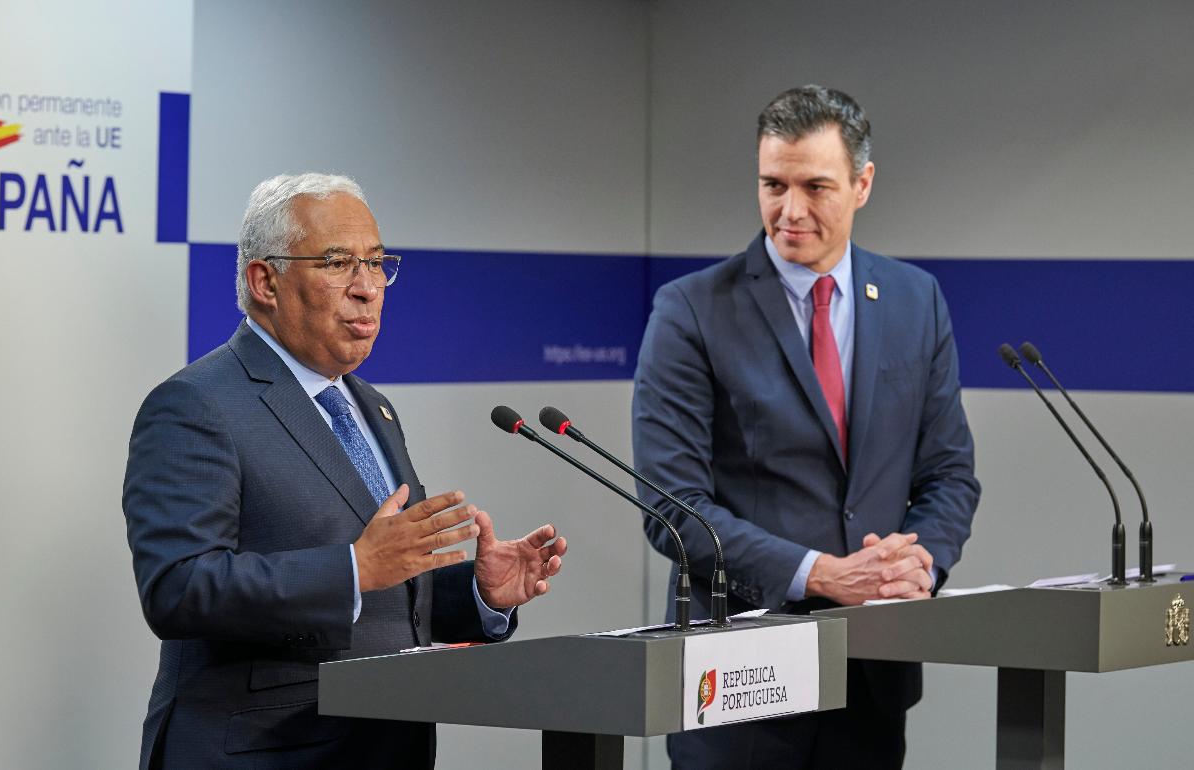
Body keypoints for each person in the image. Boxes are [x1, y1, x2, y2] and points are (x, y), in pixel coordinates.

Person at [123, 173, 568, 769]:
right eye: (338, 263)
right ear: (265, 281)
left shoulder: (372, 407)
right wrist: (352, 568)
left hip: (384, 746)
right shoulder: (197, 405)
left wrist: (479, 595)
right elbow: (177, 590)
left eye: (377, 263)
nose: (368, 288)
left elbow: (391, 600)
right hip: (261, 753)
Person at [632, 85, 981, 769]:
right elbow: (672, 508)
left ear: (862, 184)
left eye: (816, 187)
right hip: (739, 687)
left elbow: (949, 474)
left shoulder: (916, 300)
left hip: (872, 677)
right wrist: (820, 573)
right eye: (772, 185)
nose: (789, 212)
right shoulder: (691, 312)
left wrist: (919, 564)